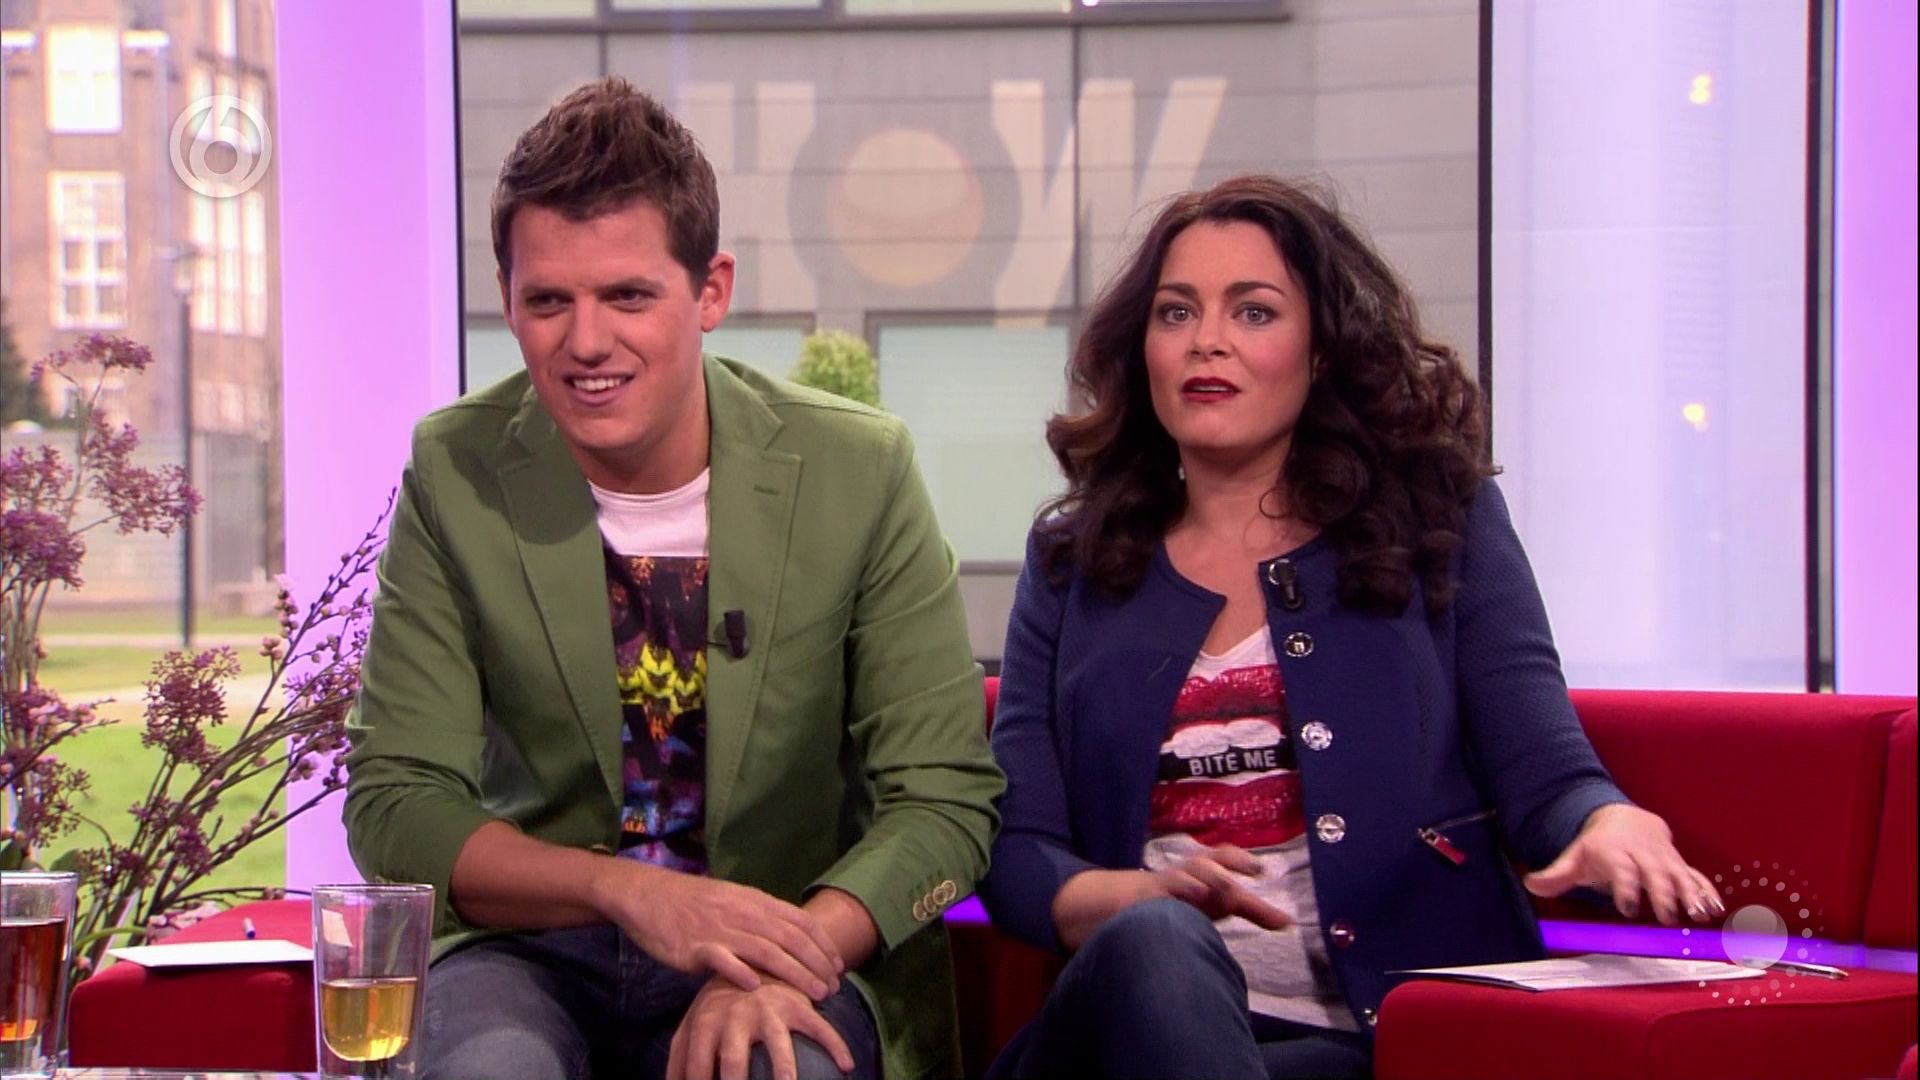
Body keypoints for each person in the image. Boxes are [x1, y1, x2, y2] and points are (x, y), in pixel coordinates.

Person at [978, 174, 1723, 1080]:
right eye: (1176, 313)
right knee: (1156, 942)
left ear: (1322, 349)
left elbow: (1545, 773)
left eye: (1253, 312)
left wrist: (1607, 822)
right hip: (1116, 1034)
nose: (1207, 340)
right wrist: (1133, 897)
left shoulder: (1438, 521)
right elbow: (1018, 853)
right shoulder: (1073, 562)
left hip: (1365, 1042)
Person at [343, 77, 1002, 1080]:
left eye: (628, 296)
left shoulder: (858, 471)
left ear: (711, 291)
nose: (586, 342)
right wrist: (627, 890)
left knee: (773, 1066)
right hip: (532, 952)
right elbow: (396, 805)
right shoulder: (456, 469)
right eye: (548, 300)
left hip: (785, 938)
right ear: (507, 299)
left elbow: (945, 798)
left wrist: (783, 955)